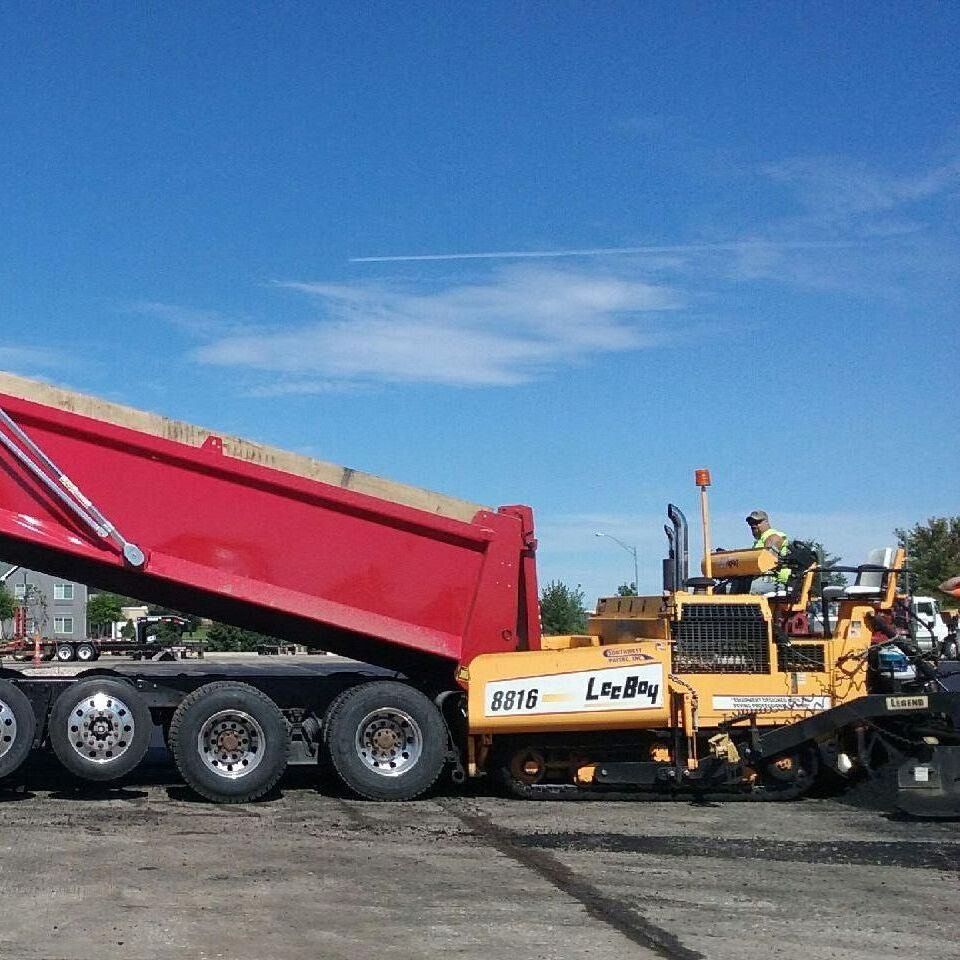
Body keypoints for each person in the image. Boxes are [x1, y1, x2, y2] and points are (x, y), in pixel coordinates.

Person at [746, 510, 790, 588]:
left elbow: (767, 562)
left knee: (742, 590)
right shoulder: (759, 541)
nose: (753, 525)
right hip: (761, 580)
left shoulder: (774, 536)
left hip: (775, 582)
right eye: (751, 523)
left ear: (766, 522)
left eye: (757, 522)